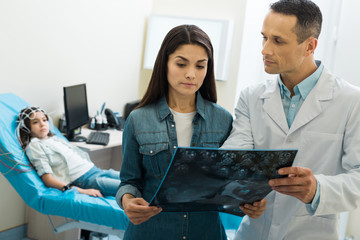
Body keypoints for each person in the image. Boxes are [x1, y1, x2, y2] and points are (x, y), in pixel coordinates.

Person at [222, 0, 360, 239]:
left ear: (309, 46)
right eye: (264, 37)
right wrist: (241, 195)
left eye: (278, 41)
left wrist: (317, 189)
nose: (265, 49)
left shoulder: (351, 101)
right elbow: (235, 159)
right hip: (253, 233)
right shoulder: (251, 97)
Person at [116, 24, 267, 240]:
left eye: (200, 66)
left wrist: (250, 201)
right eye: (181, 64)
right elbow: (129, 181)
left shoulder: (224, 120)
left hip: (206, 233)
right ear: (165, 64)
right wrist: (128, 201)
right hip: (150, 232)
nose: (191, 74)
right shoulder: (138, 119)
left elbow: (231, 183)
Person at [16, 106, 120, 197]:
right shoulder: (35, 146)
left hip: (96, 170)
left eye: (44, 120)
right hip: (85, 181)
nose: (42, 124)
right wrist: (81, 191)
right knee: (132, 190)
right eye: (35, 122)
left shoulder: (53, 138)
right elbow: (47, 179)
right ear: (26, 128)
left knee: (134, 179)